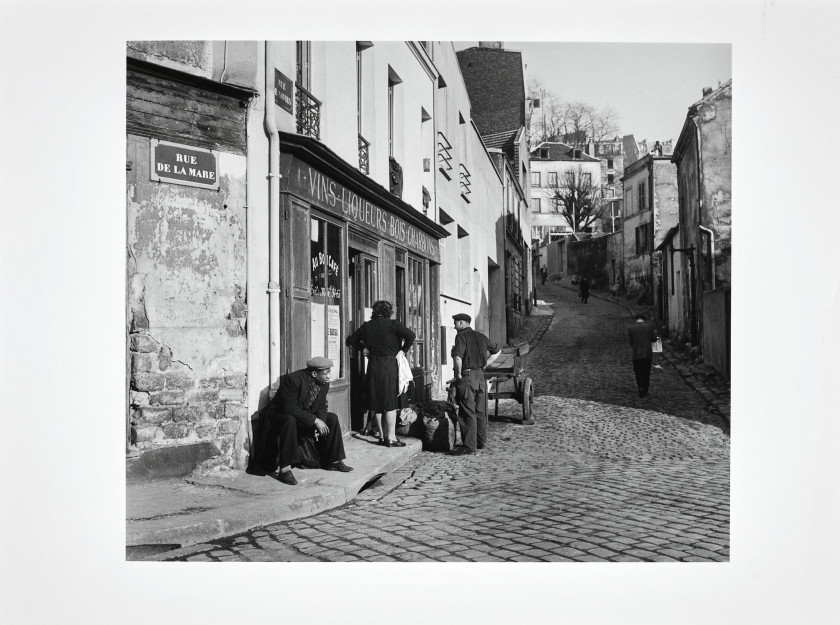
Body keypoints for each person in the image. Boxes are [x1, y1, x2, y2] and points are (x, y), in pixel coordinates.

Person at [248, 357, 353, 485]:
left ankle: (335, 460)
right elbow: (288, 407)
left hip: (302, 414)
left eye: (329, 372)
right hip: (278, 415)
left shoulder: (324, 383)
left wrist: (320, 422)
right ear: (314, 373)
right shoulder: (293, 379)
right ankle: (285, 469)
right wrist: (314, 420)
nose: (328, 376)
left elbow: (321, 406)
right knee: (289, 420)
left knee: (332, 419)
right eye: (325, 373)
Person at [346, 300, 416, 447]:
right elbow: (411, 335)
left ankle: (382, 437)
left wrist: (364, 349)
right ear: (388, 311)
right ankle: (391, 437)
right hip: (390, 365)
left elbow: (351, 340)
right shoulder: (393, 324)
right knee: (390, 402)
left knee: (377, 402)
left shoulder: (367, 325)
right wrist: (402, 350)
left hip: (373, 365)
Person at [450, 313, 501, 455]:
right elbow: (497, 351)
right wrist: (486, 365)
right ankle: (481, 441)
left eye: (455, 323)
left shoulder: (461, 336)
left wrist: (458, 375)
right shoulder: (480, 336)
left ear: (461, 323)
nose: (454, 326)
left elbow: (458, 357)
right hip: (480, 376)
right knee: (480, 410)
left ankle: (469, 446)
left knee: (467, 410)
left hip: (468, 376)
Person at [628, 313, 660, 398]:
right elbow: (654, 339)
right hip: (647, 354)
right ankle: (645, 389)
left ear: (636, 320)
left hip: (636, 354)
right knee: (646, 372)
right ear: (644, 320)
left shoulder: (631, 328)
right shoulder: (649, 327)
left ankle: (640, 387)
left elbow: (631, 343)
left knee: (638, 372)